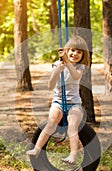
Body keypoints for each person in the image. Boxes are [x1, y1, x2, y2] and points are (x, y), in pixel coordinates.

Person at [26, 36, 90, 164]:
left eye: (79, 52)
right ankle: (37, 149)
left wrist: (67, 62)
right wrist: (57, 70)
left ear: (83, 55)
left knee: (72, 126)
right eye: (72, 50)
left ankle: (73, 155)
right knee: (51, 123)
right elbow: (50, 85)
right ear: (66, 50)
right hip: (58, 103)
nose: (75, 54)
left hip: (74, 104)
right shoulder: (57, 64)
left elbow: (75, 76)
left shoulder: (79, 67)